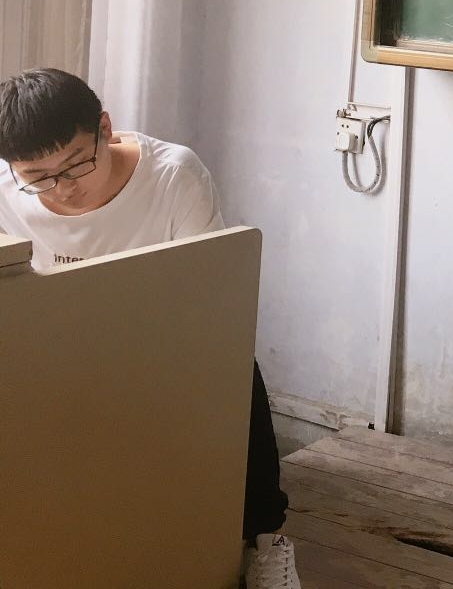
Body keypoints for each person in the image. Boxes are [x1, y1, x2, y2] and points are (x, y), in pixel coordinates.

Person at [0, 67, 300, 588]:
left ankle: (264, 536)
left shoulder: (172, 176)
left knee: (237, 368)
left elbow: (209, 300)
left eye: (76, 164)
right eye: (39, 177)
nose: (64, 189)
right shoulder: (7, 192)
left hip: (158, 345)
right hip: (55, 349)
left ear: (105, 128)